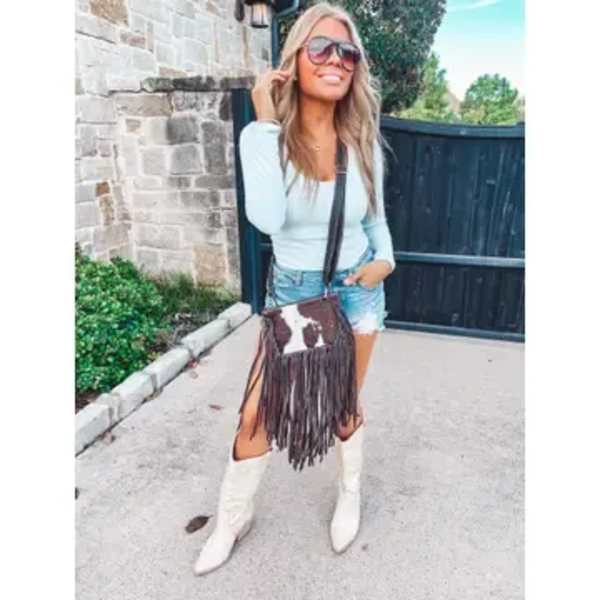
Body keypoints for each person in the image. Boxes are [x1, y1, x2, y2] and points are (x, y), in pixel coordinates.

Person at [194, 2, 396, 576]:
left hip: (356, 293)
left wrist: (385, 260)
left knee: (343, 405)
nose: (336, 59)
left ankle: (350, 494)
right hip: (296, 297)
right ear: (295, 62)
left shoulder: (361, 143)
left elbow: (376, 220)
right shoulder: (268, 140)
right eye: (321, 48)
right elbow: (266, 219)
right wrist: (262, 118)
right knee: (256, 415)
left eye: (347, 51)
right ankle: (231, 519)